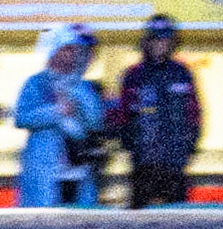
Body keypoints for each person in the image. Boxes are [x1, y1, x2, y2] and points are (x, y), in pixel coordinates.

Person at [14, 23, 104, 208]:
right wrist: (55, 112)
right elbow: (21, 117)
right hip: (46, 173)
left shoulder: (83, 86)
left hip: (78, 173)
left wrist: (77, 97)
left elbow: (95, 121)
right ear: (54, 52)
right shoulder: (35, 83)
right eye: (67, 50)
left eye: (74, 50)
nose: (73, 55)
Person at [115, 14, 199, 209]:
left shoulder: (182, 73)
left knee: (177, 218)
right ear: (147, 41)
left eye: (165, 39)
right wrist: (130, 146)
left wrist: (188, 148)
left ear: (172, 42)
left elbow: (194, 113)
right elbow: (124, 115)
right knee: (140, 220)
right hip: (143, 163)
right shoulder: (133, 75)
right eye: (155, 39)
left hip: (174, 163)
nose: (160, 44)